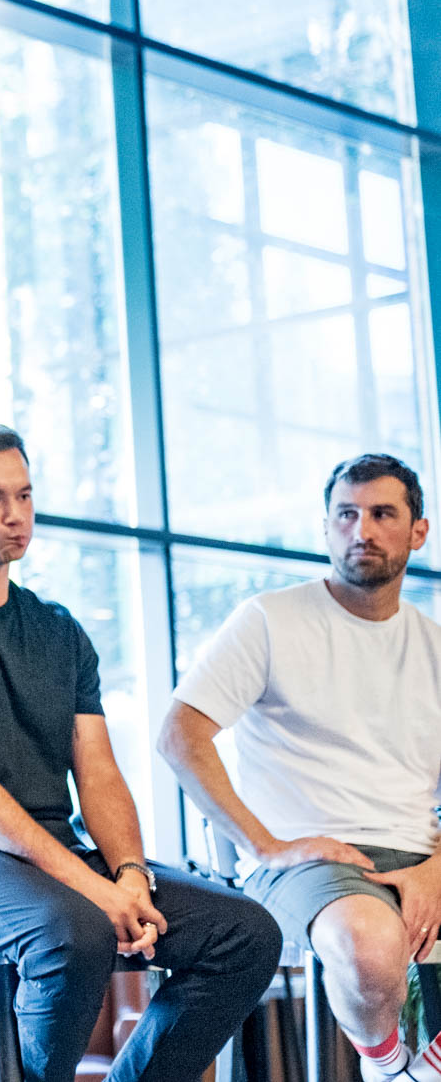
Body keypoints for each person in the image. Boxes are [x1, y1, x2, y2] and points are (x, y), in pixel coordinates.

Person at [0, 417, 281, 1082]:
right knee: (74, 931)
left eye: (24, 495)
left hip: (50, 857)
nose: (15, 514)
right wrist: (91, 886)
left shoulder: (59, 630)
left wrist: (130, 872)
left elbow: (100, 772)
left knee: (246, 933)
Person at [160, 453, 441, 1082]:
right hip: (311, 864)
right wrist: (266, 844)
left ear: (417, 532)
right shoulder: (270, 619)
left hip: (421, 855)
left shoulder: (435, 646)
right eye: (345, 514)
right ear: (326, 528)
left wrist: (437, 870)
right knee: (369, 943)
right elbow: (181, 735)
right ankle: (393, 1067)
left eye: (381, 514)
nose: (360, 530)